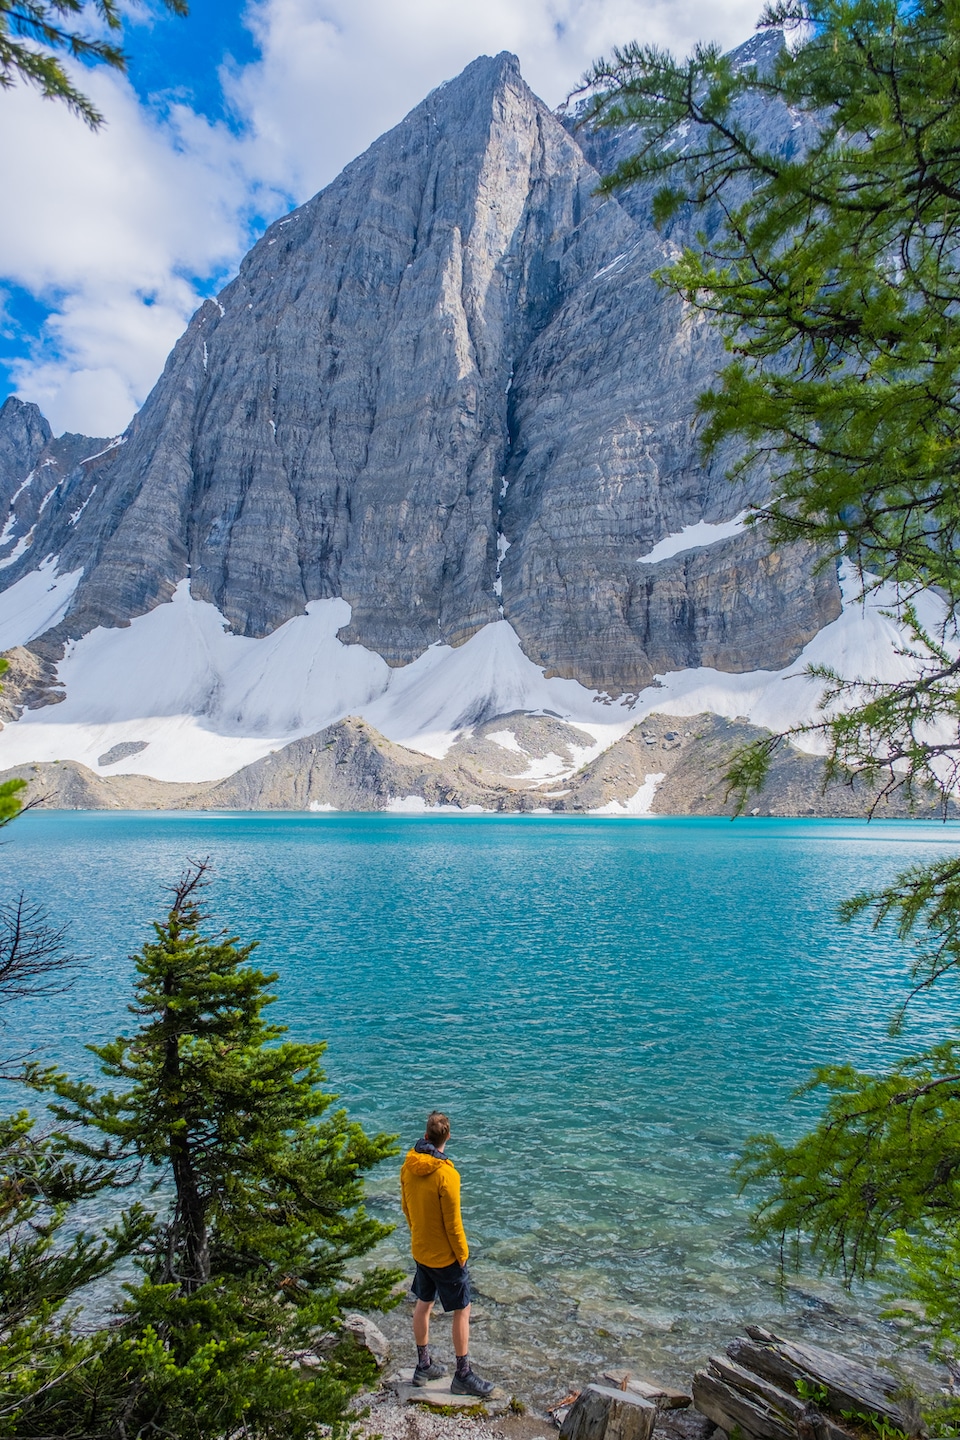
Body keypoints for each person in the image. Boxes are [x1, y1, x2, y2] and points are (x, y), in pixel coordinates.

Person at [399, 1111, 495, 1397]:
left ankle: (423, 1365)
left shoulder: (408, 1166)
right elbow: (454, 1224)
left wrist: (418, 1236)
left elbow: (406, 1208)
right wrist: (462, 1253)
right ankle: (463, 1374)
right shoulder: (447, 1175)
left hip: (421, 1249)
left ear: (426, 1136)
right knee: (462, 1310)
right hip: (445, 1257)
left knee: (424, 1302)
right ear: (447, 1137)